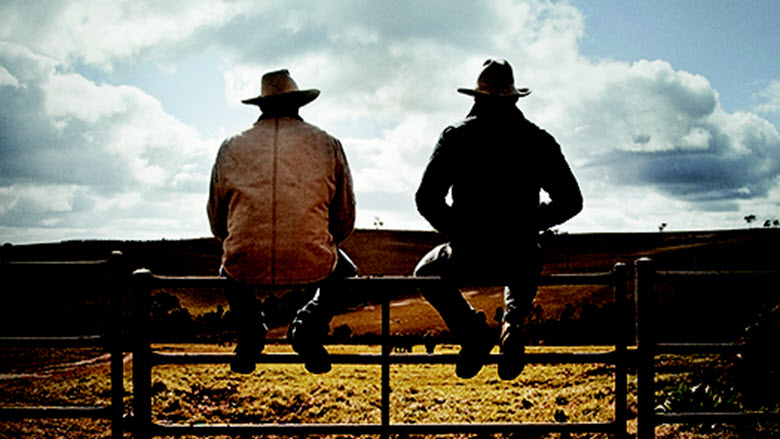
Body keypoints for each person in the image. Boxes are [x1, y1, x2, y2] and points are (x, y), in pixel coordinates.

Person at [414, 59, 583, 380]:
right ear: (516, 98)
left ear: (476, 98)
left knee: (425, 272)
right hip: (519, 249)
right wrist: (528, 223)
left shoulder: (456, 137)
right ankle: (512, 325)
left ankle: (472, 332)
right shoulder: (538, 139)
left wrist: (460, 232)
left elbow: (426, 199)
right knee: (527, 259)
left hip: (468, 252)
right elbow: (571, 201)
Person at [207, 69, 357, 375]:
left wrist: (237, 239)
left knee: (228, 266)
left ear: (261, 106)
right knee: (347, 274)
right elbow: (344, 216)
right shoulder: (327, 143)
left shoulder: (230, 146)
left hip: (245, 260)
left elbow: (217, 221)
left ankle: (250, 334)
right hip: (313, 258)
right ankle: (308, 329)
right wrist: (323, 241)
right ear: (298, 104)